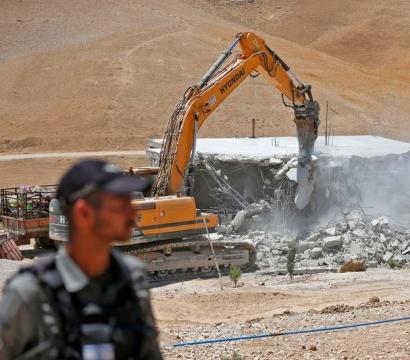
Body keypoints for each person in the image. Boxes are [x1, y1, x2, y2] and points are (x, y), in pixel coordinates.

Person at [0, 159, 162, 359]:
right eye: (120, 205)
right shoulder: (28, 294)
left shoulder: (132, 279)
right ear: (84, 213)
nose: (132, 213)